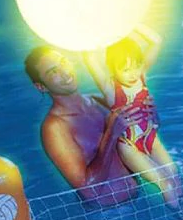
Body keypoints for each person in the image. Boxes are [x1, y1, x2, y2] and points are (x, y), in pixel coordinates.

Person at [25, 45, 144, 209]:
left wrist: (143, 110)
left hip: (140, 198)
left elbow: (139, 140)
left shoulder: (97, 100)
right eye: (54, 72)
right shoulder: (55, 127)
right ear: (41, 86)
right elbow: (89, 191)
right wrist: (111, 134)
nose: (65, 72)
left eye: (63, 62)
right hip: (110, 215)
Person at [83, 25, 183, 209]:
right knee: (164, 183)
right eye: (125, 69)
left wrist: (129, 25)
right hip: (128, 145)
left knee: (174, 174)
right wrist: (100, 30)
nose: (133, 73)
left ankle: (182, 208)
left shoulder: (141, 76)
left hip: (150, 137)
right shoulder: (109, 87)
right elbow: (89, 57)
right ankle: (181, 217)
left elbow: (156, 40)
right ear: (112, 69)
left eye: (136, 66)